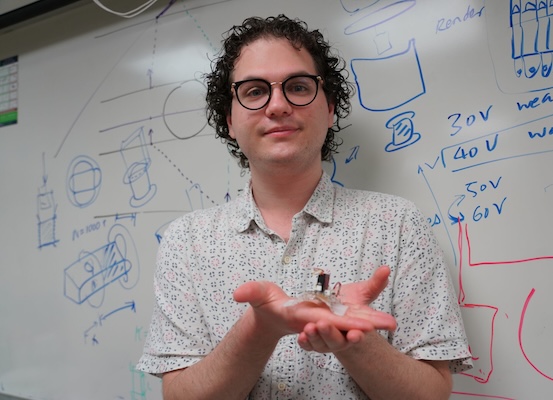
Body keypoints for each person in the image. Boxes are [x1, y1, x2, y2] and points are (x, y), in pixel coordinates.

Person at [137, 14, 472, 400]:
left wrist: (353, 340)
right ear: (229, 119)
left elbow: (432, 394)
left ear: (330, 109)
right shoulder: (186, 242)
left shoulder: (397, 224)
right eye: (254, 91)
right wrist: (259, 328)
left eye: (297, 86)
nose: (277, 106)